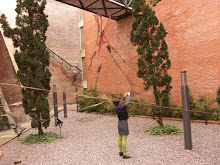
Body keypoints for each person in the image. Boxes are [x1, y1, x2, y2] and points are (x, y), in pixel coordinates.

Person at [113, 92, 131, 159]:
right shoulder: (122, 107)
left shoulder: (116, 108)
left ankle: (120, 152)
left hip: (119, 123)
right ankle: (125, 154)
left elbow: (121, 101)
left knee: (120, 137)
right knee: (124, 138)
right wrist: (129, 95)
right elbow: (128, 101)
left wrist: (124, 96)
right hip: (124, 123)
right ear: (119, 102)